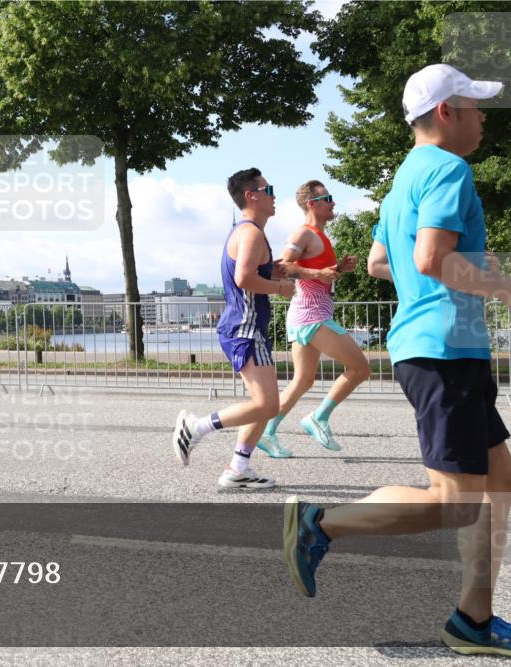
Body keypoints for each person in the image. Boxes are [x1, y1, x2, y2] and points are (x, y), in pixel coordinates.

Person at [284, 64, 511, 656]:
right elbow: (432, 258)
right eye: (474, 106)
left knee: (500, 482)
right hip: (444, 351)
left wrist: (444, 277)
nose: (483, 118)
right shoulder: (449, 169)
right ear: (446, 113)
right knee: (455, 503)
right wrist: (502, 285)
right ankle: (320, 523)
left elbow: (383, 262)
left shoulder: (402, 180)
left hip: (439, 348)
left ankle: (474, 618)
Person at [172, 168, 294, 489]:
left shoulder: (247, 232)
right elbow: (243, 278)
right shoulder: (251, 233)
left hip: (246, 327)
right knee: (267, 405)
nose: (274, 196)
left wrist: (275, 271)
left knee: (262, 404)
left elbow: (252, 271)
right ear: (251, 196)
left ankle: (238, 469)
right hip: (245, 328)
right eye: (269, 190)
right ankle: (196, 427)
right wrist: (280, 288)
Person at [257, 181, 371, 458]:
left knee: (303, 380)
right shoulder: (303, 233)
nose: (333, 203)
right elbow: (283, 267)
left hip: (309, 314)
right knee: (360, 368)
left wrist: (337, 269)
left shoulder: (320, 236)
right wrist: (320, 274)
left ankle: (266, 432)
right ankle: (319, 418)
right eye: (327, 198)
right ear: (312, 204)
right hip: (311, 315)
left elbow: (314, 272)